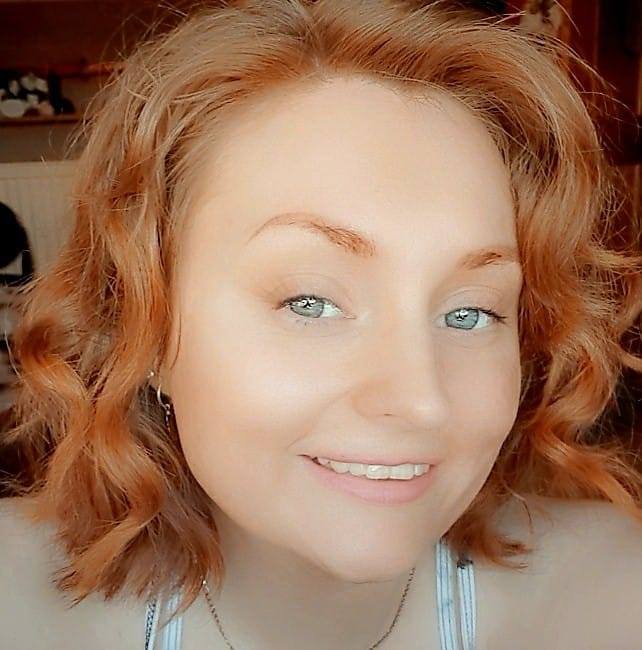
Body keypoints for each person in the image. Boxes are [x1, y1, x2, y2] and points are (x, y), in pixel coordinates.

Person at [1, 1, 641, 648]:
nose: (420, 401)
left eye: (468, 312)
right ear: (147, 329)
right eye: (310, 302)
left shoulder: (610, 595)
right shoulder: (18, 602)